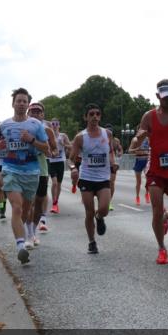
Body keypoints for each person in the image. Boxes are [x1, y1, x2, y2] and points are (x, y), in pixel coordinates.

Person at [127, 79, 168, 265]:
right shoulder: (149, 117)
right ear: (158, 96)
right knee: (156, 210)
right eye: (165, 98)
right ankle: (162, 248)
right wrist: (136, 140)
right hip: (156, 171)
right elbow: (138, 138)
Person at [0, 88, 50, 264]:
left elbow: (47, 149)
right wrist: (0, 146)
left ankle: (26, 234)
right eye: (18, 100)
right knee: (17, 208)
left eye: (24, 101)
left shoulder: (36, 125)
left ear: (27, 105)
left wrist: (32, 140)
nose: (21, 103)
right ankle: (20, 247)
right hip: (11, 170)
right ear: (13, 104)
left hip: (32, 172)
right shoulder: (4, 125)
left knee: (26, 210)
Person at [69, 103, 115, 254]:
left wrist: (113, 163)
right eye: (91, 114)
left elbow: (111, 151)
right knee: (89, 212)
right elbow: (71, 159)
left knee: (104, 209)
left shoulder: (107, 134)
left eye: (97, 114)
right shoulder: (80, 138)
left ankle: (99, 217)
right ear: (86, 117)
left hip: (103, 178)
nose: (95, 116)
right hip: (87, 178)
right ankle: (92, 242)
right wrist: (73, 168)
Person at [26, 102, 57, 242]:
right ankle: (28, 233)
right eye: (32, 111)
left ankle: (33, 230)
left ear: (43, 115)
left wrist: (51, 153)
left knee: (38, 202)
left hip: (42, 169)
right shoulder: (23, 128)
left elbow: (54, 149)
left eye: (38, 112)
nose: (35, 114)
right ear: (28, 113)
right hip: (25, 168)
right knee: (29, 203)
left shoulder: (48, 130)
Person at [48, 119, 70, 214]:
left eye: (57, 124)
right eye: (53, 124)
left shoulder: (63, 136)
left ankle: (56, 202)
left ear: (59, 126)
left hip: (60, 162)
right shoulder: (48, 136)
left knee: (59, 184)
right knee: (54, 183)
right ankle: (54, 203)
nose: (55, 125)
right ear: (50, 126)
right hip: (51, 162)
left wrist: (63, 144)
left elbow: (71, 146)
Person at [106, 124, 123, 210]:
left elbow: (120, 149)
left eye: (110, 130)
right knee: (104, 183)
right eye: (107, 130)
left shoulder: (116, 141)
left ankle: (108, 202)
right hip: (103, 165)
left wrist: (120, 153)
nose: (109, 132)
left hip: (113, 164)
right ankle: (103, 199)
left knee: (111, 183)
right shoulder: (101, 140)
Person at [132, 136, 150, 205]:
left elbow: (151, 148)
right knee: (138, 182)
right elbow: (130, 150)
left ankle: (147, 193)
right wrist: (136, 150)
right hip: (138, 161)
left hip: (146, 161)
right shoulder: (135, 139)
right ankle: (137, 197)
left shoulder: (148, 139)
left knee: (148, 179)